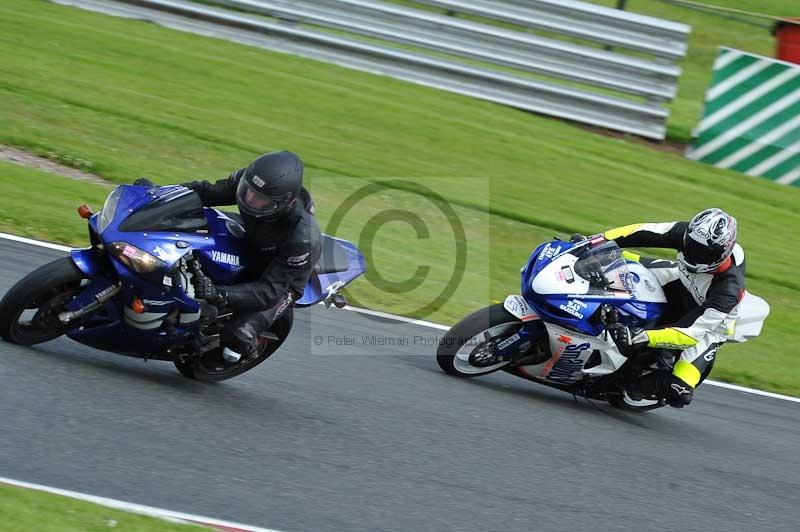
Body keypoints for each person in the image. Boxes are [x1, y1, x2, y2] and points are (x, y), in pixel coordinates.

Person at [181, 151, 321, 363]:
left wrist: (220, 294)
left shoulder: (301, 237)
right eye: (248, 193)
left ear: (286, 202)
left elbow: (270, 291)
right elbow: (206, 192)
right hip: (252, 240)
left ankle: (247, 347)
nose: (250, 200)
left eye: (261, 201)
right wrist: (160, 194)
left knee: (236, 337)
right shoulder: (251, 184)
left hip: (280, 280)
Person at [596, 209, 744, 407]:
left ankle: (637, 385)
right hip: (681, 278)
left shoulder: (728, 289)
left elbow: (690, 333)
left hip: (708, 326)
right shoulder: (687, 233)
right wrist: (596, 241)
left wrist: (641, 336)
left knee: (680, 389)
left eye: (702, 253)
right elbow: (641, 231)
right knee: (612, 260)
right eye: (690, 246)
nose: (693, 254)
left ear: (722, 253)